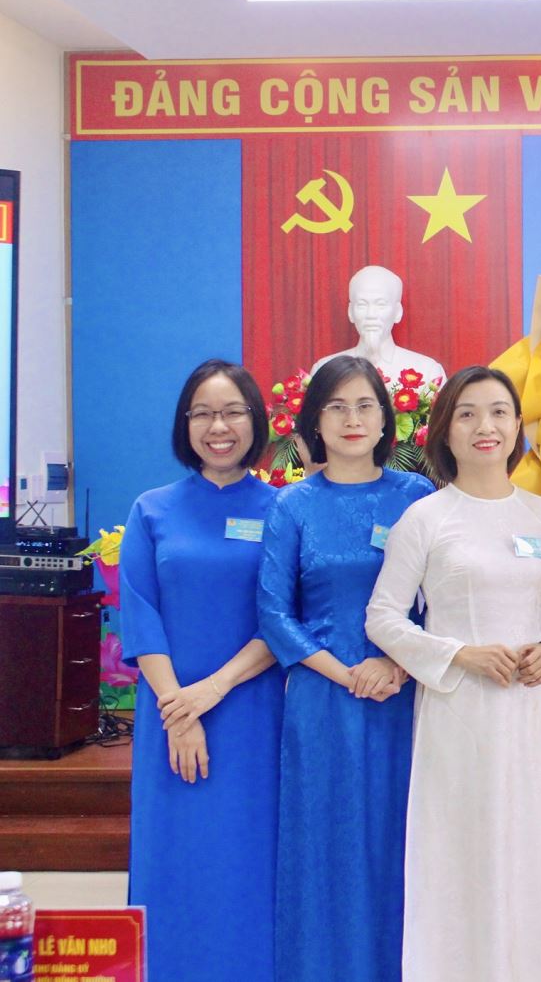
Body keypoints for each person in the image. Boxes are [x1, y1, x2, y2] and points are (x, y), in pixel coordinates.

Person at [366, 365, 541, 980]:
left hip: (528, 713)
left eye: (498, 412)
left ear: (516, 427)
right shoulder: (426, 518)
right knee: (459, 848)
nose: (484, 426)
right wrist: (459, 653)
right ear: (445, 430)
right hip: (458, 713)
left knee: (531, 846)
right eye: (467, 414)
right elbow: (383, 617)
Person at [257, 356, 434, 982]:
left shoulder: (418, 498)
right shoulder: (293, 505)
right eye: (337, 407)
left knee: (398, 839)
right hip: (322, 699)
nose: (352, 419)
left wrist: (397, 663)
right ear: (315, 422)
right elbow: (275, 613)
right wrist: (346, 673)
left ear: (387, 419)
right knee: (324, 841)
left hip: (403, 695)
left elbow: (439, 600)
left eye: (365, 406)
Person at [120, 359, 283, 982]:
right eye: (204, 414)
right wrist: (179, 711)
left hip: (252, 711)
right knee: (175, 851)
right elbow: (141, 614)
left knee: (247, 852)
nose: (219, 427)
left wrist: (212, 690)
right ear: (185, 423)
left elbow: (282, 618)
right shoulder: (152, 510)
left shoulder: (282, 509)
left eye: (233, 412)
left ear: (255, 420)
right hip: (169, 715)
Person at [310, 264, 447, 385]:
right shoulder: (324, 370)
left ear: (397, 312)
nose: (371, 315)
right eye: (362, 304)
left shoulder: (427, 372)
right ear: (350, 312)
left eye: (381, 304)